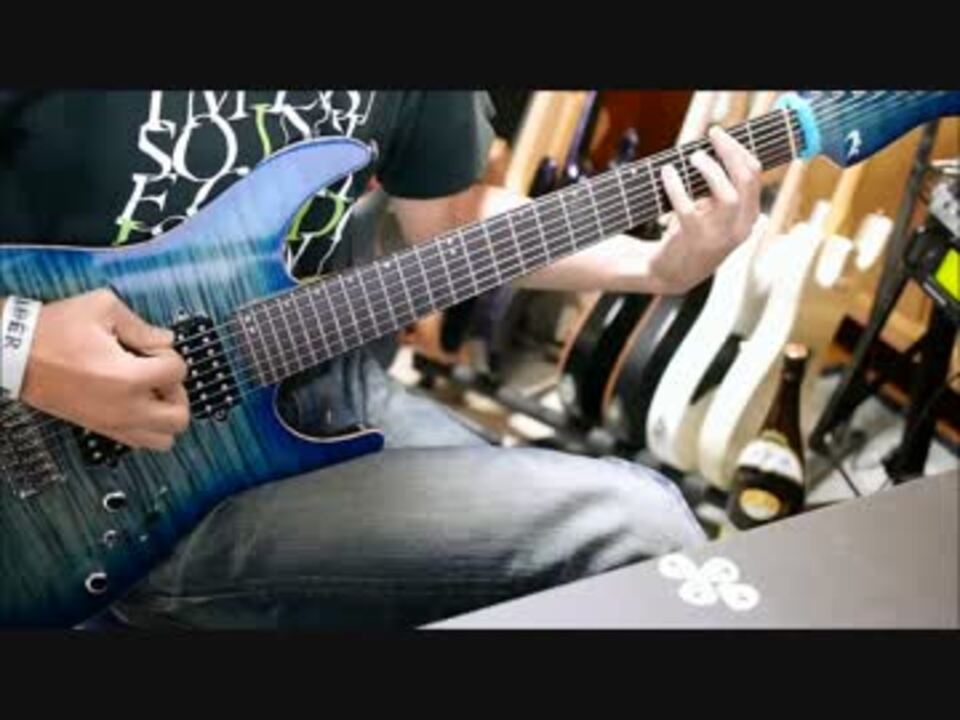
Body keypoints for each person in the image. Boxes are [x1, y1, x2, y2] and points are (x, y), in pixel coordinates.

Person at [0, 90, 762, 629]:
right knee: (637, 527)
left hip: (319, 394)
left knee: (627, 558)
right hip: (96, 489)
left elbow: (448, 218)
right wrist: (19, 344)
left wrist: (652, 267)